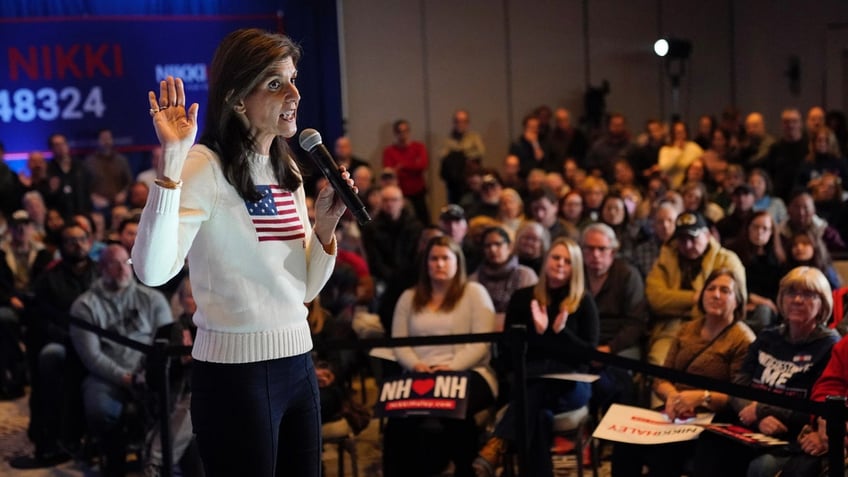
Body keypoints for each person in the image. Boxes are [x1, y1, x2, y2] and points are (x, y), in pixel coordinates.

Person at [131, 29, 349, 477]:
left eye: (292, 79)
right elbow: (152, 272)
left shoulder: (286, 166)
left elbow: (305, 289)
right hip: (235, 375)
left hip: (298, 362)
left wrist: (325, 228)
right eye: (274, 83)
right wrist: (172, 159)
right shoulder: (203, 166)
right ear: (235, 98)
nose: (294, 93)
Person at [473, 237, 600, 477]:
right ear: (546, 261)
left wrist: (559, 333)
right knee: (540, 415)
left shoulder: (583, 301)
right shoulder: (523, 298)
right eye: (555, 258)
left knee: (534, 392)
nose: (560, 264)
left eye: (567, 261)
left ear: (575, 268)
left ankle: (497, 442)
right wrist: (536, 334)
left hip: (571, 384)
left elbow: (587, 356)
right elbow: (510, 353)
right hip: (531, 378)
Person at [697, 266, 839, 477]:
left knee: (761, 468)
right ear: (781, 299)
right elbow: (738, 383)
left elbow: (815, 405)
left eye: (808, 294)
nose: (798, 300)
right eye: (791, 293)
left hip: (792, 433)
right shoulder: (768, 336)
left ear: (823, 304)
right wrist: (756, 416)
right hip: (752, 423)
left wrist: (761, 409)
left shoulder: (829, 344)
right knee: (709, 444)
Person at [612, 269, 756, 477]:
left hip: (715, 416)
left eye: (725, 290)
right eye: (711, 289)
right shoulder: (687, 329)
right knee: (626, 442)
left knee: (667, 452)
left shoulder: (742, 338)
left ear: (738, 300)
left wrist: (700, 397)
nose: (716, 295)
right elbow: (662, 377)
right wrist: (673, 397)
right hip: (677, 410)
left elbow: (739, 397)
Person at [383, 236, 497, 477]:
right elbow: (399, 343)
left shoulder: (475, 292)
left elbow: (481, 344)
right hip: (418, 373)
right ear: (426, 264)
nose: (439, 264)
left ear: (458, 262)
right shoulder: (408, 297)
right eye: (434, 258)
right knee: (398, 419)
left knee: (454, 406)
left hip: (470, 372)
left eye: (446, 258)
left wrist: (450, 367)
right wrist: (416, 365)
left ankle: (465, 470)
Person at [70, 243, 173, 476]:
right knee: (100, 409)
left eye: (126, 262)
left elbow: (165, 341)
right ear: (101, 268)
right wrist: (125, 378)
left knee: (174, 404)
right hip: (107, 374)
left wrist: (147, 374)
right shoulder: (84, 305)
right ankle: (113, 459)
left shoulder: (152, 298)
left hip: (148, 370)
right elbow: (92, 356)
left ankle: (156, 459)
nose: (123, 269)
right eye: (114, 264)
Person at [645, 212, 747, 372]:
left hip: (715, 331)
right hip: (671, 330)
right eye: (682, 239)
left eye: (693, 238)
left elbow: (736, 303)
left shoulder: (727, 260)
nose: (687, 245)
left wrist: (674, 299)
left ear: (707, 235)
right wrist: (694, 297)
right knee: (659, 368)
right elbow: (655, 299)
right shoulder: (666, 258)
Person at [581, 223, 648, 410]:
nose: (595, 255)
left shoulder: (627, 275)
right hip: (585, 346)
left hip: (620, 344)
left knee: (615, 381)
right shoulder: (577, 276)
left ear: (612, 251)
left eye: (601, 249)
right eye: (590, 249)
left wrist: (609, 348)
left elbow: (636, 323)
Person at [728, 211, 787, 333]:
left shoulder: (778, 259)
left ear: (771, 233)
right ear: (748, 228)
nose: (759, 232)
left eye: (765, 229)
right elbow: (731, 284)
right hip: (739, 301)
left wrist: (765, 303)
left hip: (769, 309)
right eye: (755, 227)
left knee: (763, 313)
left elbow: (780, 291)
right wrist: (753, 299)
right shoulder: (733, 254)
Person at [469, 226, 538, 329]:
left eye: (497, 244)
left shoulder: (525, 275)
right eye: (487, 246)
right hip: (483, 332)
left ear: (509, 247)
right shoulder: (474, 280)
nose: (492, 249)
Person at [383, 119, 430, 224]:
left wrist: (402, 166)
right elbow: (390, 172)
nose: (403, 134)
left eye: (405, 131)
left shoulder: (419, 147)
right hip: (400, 193)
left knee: (423, 221)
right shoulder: (389, 151)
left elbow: (422, 166)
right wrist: (413, 166)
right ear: (395, 133)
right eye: (400, 131)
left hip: (418, 192)